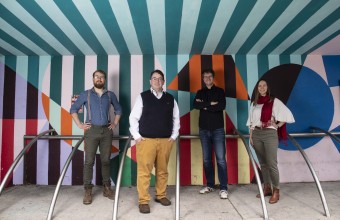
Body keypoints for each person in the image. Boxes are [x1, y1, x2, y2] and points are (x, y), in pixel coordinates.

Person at [129, 69, 180, 214]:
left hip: (165, 141)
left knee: (162, 171)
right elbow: (133, 118)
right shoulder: (142, 97)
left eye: (160, 79)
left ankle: (161, 195)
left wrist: (174, 136)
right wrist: (137, 136)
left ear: (163, 82)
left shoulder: (170, 99)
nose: (157, 81)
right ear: (150, 81)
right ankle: (143, 201)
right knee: (144, 172)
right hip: (146, 141)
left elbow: (176, 118)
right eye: (154, 78)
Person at [70, 69, 122, 205]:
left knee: (106, 161)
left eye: (102, 77)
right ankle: (87, 190)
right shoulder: (86, 94)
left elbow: (118, 109)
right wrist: (80, 125)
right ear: (93, 79)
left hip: (106, 131)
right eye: (97, 77)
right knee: (89, 161)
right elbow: (73, 109)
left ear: (105, 80)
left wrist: (115, 123)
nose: (99, 79)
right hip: (91, 131)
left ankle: (107, 188)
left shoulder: (110, 95)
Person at [246, 79, 295, 204]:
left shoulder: (274, 101)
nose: (262, 87)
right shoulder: (254, 104)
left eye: (264, 85)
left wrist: (277, 125)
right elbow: (251, 122)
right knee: (262, 163)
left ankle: (276, 190)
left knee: (272, 163)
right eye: (260, 86)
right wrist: (251, 136)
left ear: (267, 87)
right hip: (256, 134)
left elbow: (288, 115)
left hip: (269, 134)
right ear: (258, 88)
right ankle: (267, 187)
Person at [193, 68, 229, 199]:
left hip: (218, 129)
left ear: (213, 78)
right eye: (205, 77)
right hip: (203, 130)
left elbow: (221, 106)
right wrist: (210, 104)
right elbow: (195, 105)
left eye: (209, 76)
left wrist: (205, 105)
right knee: (207, 159)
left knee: (221, 159)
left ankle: (224, 188)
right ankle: (210, 185)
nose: (207, 79)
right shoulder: (200, 92)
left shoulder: (220, 91)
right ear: (203, 79)